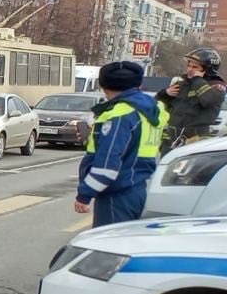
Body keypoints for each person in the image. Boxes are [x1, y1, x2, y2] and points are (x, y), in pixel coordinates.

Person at [74, 61, 168, 227]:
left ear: (103, 85)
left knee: (109, 246)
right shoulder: (149, 109)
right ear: (139, 84)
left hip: (115, 194)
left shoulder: (120, 115)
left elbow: (107, 166)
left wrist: (85, 195)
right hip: (136, 187)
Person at [157, 48, 224, 154]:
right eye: (189, 66)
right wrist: (165, 94)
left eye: (195, 67)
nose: (189, 70)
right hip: (171, 141)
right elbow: (157, 106)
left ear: (207, 69)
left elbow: (208, 100)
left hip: (195, 141)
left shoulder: (216, 86)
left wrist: (197, 80)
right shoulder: (182, 84)